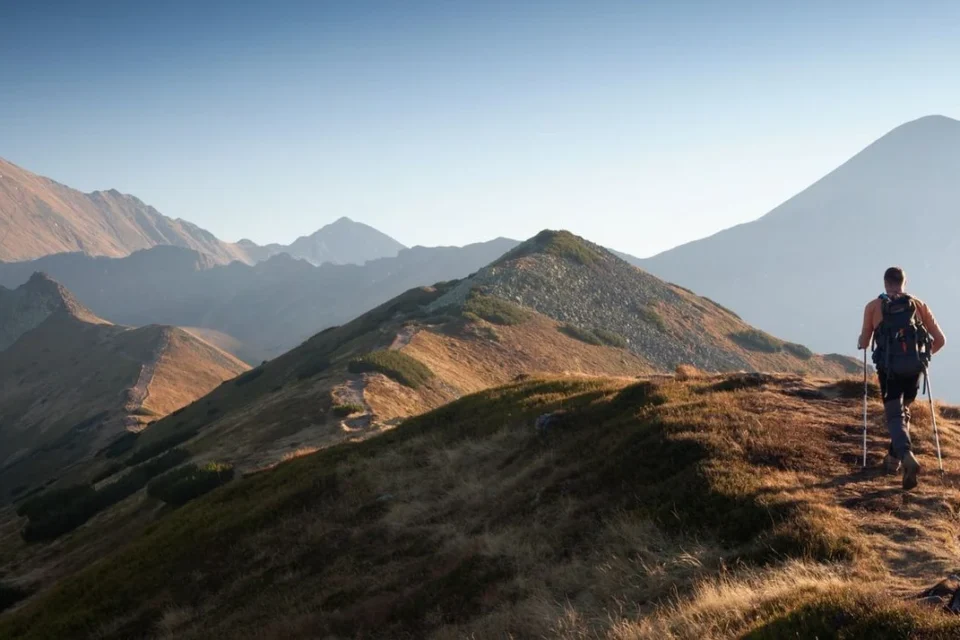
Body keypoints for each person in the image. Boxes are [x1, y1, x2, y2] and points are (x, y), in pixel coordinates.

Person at [858, 266, 946, 490]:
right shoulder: (918, 305)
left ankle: (906, 456)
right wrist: (923, 358)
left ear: (886, 282)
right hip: (914, 369)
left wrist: (863, 340)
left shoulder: (874, 306)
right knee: (903, 413)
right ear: (904, 282)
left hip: (889, 370)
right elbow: (940, 340)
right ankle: (893, 461)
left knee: (894, 416)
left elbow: (865, 342)